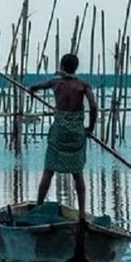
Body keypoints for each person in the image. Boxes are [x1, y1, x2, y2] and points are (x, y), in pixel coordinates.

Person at [27, 53, 98, 223]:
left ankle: (38, 205)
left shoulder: (56, 83)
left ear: (62, 66)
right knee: (77, 172)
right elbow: (94, 106)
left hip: (59, 132)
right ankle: (81, 213)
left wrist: (31, 90)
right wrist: (90, 128)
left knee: (49, 170)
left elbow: (36, 86)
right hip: (76, 134)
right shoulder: (82, 85)